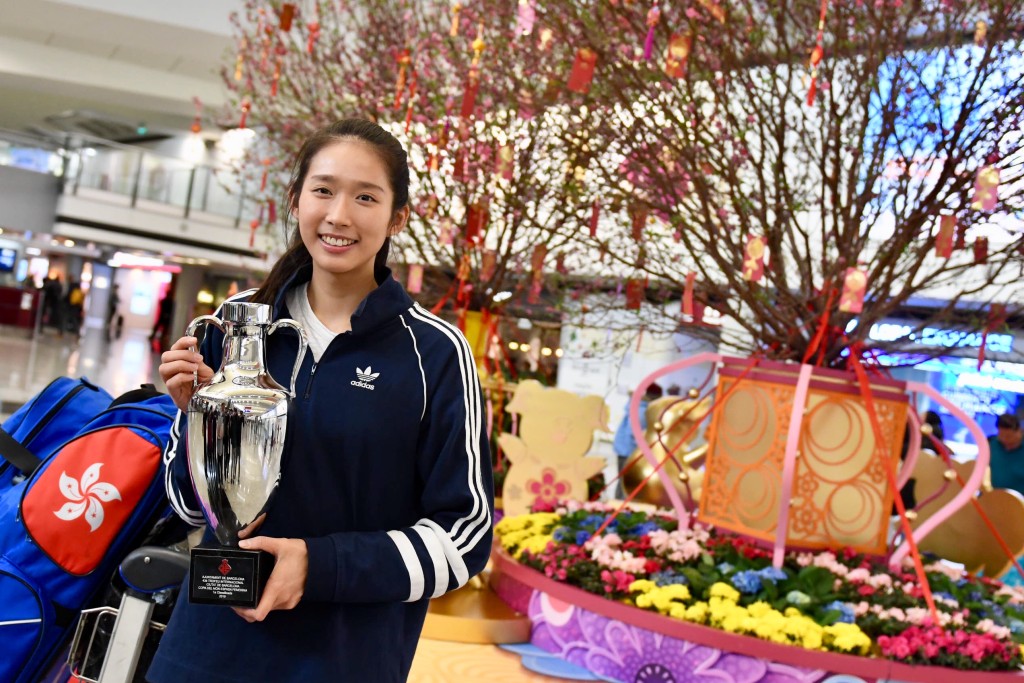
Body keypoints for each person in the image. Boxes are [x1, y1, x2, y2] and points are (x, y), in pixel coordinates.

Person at [149, 119, 493, 683]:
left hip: (343, 660)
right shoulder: (234, 325)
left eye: (365, 197)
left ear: (396, 218)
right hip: (204, 652)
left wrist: (318, 566)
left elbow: (465, 538)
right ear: (296, 199)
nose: (339, 215)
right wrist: (196, 420)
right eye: (324, 190)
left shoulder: (435, 354)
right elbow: (188, 507)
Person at [612, 383, 663, 498]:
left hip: (624, 448)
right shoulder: (642, 410)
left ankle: (617, 506)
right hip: (628, 450)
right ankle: (620, 509)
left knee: (622, 482)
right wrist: (642, 452)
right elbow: (634, 433)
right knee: (626, 483)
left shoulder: (638, 406)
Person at [989, 412, 1024, 493]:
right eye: (1001, 435)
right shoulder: (992, 444)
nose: (1004, 439)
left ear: (1019, 432)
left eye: (1008, 436)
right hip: (994, 497)